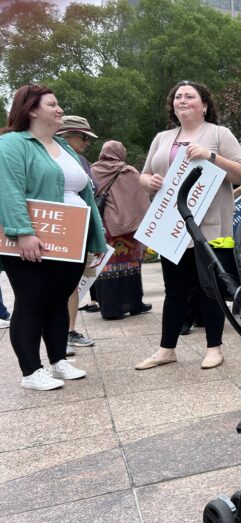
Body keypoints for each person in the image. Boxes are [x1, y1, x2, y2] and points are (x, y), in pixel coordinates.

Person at [0, 83, 107, 390]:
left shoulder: (64, 147)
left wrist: (96, 239)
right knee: (31, 300)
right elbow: (8, 189)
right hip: (34, 239)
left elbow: (85, 194)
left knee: (59, 299)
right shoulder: (12, 144)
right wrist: (23, 233)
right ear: (32, 109)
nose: (59, 109)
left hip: (71, 238)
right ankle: (31, 371)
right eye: (52, 104)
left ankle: (58, 360)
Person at [135, 80, 241, 370]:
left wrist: (210, 156)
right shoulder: (162, 138)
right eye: (178, 97)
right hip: (171, 226)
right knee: (174, 290)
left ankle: (214, 348)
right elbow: (143, 175)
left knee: (210, 288)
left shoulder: (219, 134)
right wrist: (149, 181)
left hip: (209, 227)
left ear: (205, 105)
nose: (182, 100)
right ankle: (166, 349)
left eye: (190, 96)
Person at [90, 140, 152, 320]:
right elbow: (141, 199)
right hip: (129, 230)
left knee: (105, 268)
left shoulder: (93, 171)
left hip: (104, 228)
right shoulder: (129, 171)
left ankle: (110, 308)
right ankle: (134, 304)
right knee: (131, 265)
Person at [57, 115, 99, 348]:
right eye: (83, 137)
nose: (87, 142)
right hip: (56, 227)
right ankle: (54, 335)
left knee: (72, 282)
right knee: (53, 284)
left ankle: (69, 331)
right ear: (66, 136)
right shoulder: (47, 156)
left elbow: (93, 190)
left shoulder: (81, 160)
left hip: (79, 226)